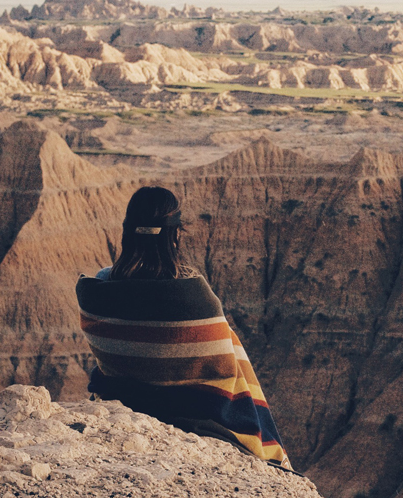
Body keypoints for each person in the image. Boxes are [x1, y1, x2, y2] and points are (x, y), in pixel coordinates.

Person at [75, 186, 292, 470]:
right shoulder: (195, 298)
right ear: (175, 234)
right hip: (194, 408)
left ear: (128, 231)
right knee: (229, 341)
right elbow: (224, 368)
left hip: (125, 398)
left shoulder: (97, 291)